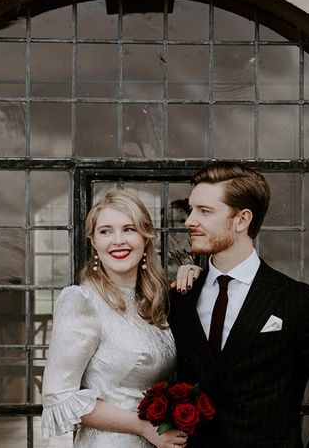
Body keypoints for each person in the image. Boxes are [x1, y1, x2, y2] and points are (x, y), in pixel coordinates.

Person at [169, 163, 309, 446]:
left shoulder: (297, 300)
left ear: (242, 219)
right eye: (191, 209)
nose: (189, 221)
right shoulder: (181, 296)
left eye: (204, 211)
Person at [41, 190, 190, 447]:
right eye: (106, 231)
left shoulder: (155, 301)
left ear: (145, 238)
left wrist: (196, 274)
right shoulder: (81, 300)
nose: (117, 240)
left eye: (129, 229)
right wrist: (143, 427)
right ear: (94, 242)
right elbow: (59, 396)